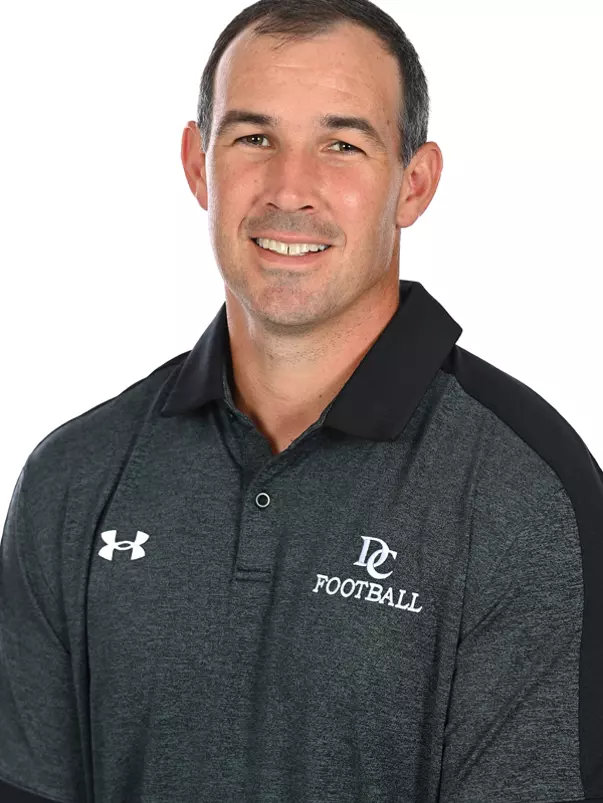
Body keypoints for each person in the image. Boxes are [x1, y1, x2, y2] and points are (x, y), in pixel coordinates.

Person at [1, 0, 601, 801]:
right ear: (196, 164)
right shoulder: (74, 477)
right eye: (254, 139)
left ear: (412, 184)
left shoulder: (524, 491)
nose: (291, 189)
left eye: (341, 145)